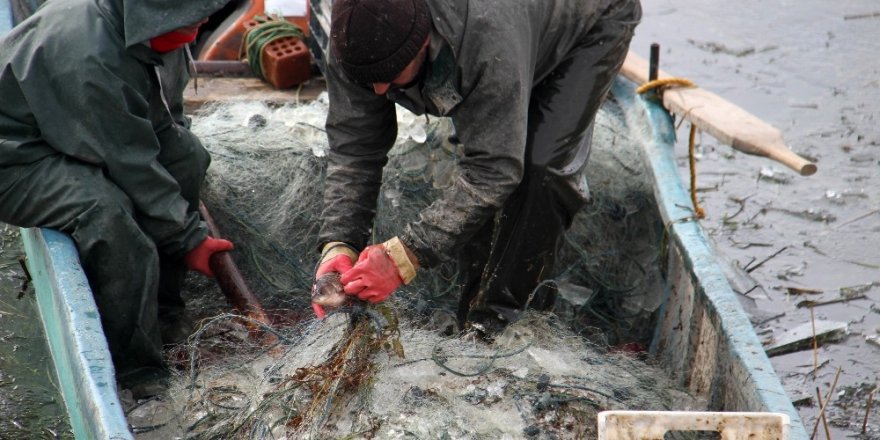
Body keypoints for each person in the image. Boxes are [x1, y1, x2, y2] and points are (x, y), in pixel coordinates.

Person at [313, 0, 642, 336]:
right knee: (484, 173)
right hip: (504, 34)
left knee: (540, 170)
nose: (380, 90)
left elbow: (494, 171)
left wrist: (404, 256)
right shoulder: (353, 40)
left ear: (423, 42)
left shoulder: (484, 39)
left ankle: (503, 327)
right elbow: (355, 147)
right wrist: (340, 243)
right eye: (368, 80)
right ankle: (471, 306)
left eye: (390, 76)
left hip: (588, 18)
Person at [0, 0, 233, 389]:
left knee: (189, 156)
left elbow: (166, 126)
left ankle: (163, 308)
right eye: (195, 14)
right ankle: (137, 369)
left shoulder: (157, 34)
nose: (206, 18)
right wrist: (188, 238)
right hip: (18, 155)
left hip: (74, 127)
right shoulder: (91, 59)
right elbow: (129, 162)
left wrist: (182, 220)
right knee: (109, 214)